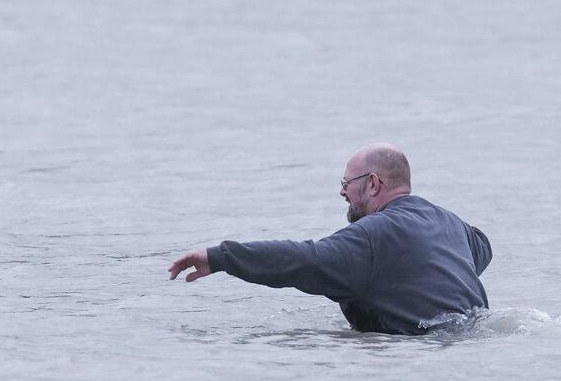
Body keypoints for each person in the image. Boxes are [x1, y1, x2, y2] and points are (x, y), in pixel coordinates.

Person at [167, 143, 492, 335]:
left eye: (346, 182)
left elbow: (300, 260)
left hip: (422, 353)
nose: (341, 191)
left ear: (374, 183)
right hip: (474, 339)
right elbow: (483, 247)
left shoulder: (368, 240)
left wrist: (220, 257)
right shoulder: (449, 224)